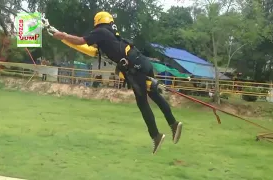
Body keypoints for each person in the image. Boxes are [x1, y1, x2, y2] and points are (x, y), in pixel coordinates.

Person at [52, 11, 183, 154]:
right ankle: (173, 123)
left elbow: (81, 41)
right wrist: (63, 38)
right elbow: (90, 50)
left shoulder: (100, 31)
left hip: (134, 68)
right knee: (154, 95)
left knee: (143, 103)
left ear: (98, 21)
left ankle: (156, 135)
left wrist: (64, 36)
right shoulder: (112, 34)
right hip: (142, 62)